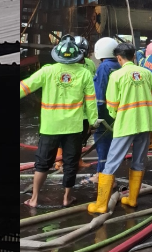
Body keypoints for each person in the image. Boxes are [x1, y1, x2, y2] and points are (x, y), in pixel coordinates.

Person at [20, 36, 96, 208]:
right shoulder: (84, 73)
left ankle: (34, 199)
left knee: (42, 164)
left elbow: (25, 87)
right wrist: (93, 121)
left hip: (50, 127)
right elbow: (90, 101)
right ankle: (66, 198)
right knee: (71, 163)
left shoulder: (47, 71)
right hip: (74, 127)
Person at [88, 43, 152, 214]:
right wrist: (141, 96)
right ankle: (132, 200)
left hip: (126, 124)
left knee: (111, 163)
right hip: (145, 123)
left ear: (119, 58)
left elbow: (111, 104)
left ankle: (100, 205)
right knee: (139, 161)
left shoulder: (117, 75)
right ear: (134, 56)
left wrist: (115, 115)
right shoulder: (145, 73)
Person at [91, 37, 121, 174]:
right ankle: (108, 172)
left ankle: (101, 173)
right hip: (118, 111)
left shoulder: (104, 67)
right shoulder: (120, 65)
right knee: (113, 142)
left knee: (102, 140)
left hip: (105, 112)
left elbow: (100, 92)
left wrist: (95, 115)